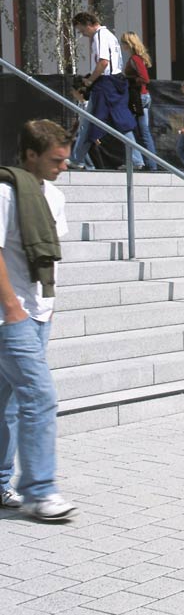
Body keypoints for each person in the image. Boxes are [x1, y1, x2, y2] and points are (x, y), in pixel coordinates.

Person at [0, 120, 77, 521]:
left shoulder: (55, 195)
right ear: (30, 154)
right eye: (56, 159)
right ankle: (40, 491)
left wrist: (47, 305)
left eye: (66, 158)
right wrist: (12, 307)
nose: (64, 165)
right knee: (39, 397)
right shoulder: (5, 193)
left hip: (39, 311)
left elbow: (48, 251)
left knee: (8, 402)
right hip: (10, 316)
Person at [71, 13, 139, 170]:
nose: (83, 34)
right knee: (112, 120)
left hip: (105, 84)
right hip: (115, 81)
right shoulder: (109, 35)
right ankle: (77, 159)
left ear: (87, 24)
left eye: (82, 30)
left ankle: (77, 159)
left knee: (99, 120)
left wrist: (90, 80)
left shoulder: (99, 36)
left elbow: (103, 62)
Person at [122, 31, 157, 171]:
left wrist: (129, 79)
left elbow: (145, 79)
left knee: (126, 126)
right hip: (143, 97)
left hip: (138, 97)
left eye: (123, 42)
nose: (122, 45)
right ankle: (152, 164)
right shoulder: (138, 58)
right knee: (144, 132)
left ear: (129, 43)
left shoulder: (135, 59)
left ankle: (136, 161)